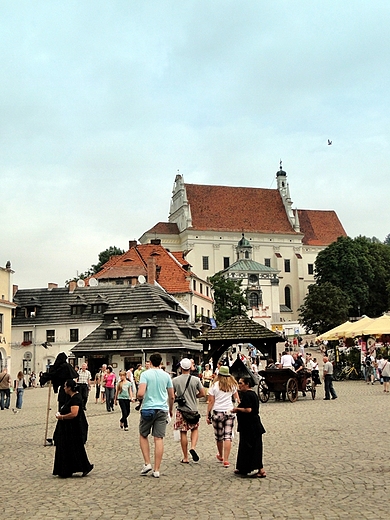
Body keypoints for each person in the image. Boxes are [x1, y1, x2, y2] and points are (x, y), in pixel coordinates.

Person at [137, 352, 175, 478]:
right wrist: (170, 409)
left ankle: (147, 463)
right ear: (161, 363)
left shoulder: (145, 374)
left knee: (143, 435)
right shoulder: (166, 376)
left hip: (148, 408)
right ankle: (157, 469)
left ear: (150, 362)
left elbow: (141, 393)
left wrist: (138, 397)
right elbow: (172, 396)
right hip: (162, 409)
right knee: (158, 438)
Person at [52, 379, 93, 479]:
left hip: (72, 428)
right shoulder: (70, 397)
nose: (64, 388)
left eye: (65, 386)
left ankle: (83, 466)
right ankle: (67, 469)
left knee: (75, 448)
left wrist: (62, 417)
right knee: (69, 449)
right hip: (67, 428)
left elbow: (74, 413)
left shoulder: (76, 398)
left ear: (69, 388)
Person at [232, 376, 266, 478]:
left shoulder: (248, 395)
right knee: (246, 447)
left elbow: (248, 409)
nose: (239, 385)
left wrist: (237, 410)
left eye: (241, 383)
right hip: (250, 425)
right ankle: (243, 467)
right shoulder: (252, 394)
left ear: (247, 384)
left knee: (253, 447)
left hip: (250, 425)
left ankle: (260, 469)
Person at [172, 358, 205, 464]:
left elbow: (172, 395)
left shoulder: (175, 380)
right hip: (193, 409)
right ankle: (193, 447)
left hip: (182, 410)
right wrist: (194, 396)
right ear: (190, 367)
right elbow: (203, 393)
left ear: (181, 367)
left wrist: (178, 397)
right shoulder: (196, 380)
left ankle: (185, 457)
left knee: (183, 432)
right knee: (194, 429)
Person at [206, 366, 239, 468]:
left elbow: (211, 401)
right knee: (227, 436)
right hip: (229, 411)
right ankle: (226, 460)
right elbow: (237, 399)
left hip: (217, 412)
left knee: (219, 437)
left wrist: (208, 414)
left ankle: (220, 455)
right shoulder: (232, 385)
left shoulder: (214, 386)